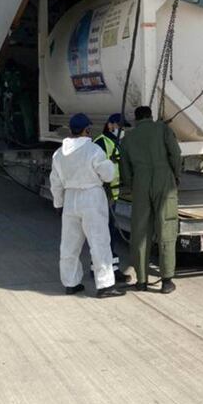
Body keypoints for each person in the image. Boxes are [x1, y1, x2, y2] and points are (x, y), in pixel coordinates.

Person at [49, 113, 125, 299]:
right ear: (86, 130)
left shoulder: (59, 154)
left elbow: (55, 181)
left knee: (69, 245)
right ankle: (105, 286)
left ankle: (71, 283)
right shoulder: (92, 150)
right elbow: (107, 174)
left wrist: (58, 203)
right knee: (99, 242)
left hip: (70, 199)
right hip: (91, 197)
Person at [120, 106, 182, 293]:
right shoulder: (162, 129)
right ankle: (166, 281)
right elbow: (176, 154)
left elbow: (124, 167)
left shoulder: (128, 138)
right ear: (151, 116)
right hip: (164, 180)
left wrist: (133, 184)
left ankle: (141, 280)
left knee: (140, 232)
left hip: (140, 181)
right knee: (166, 228)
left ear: (136, 120)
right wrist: (175, 175)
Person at [93, 113, 129, 283]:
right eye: (119, 126)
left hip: (112, 195)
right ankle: (107, 270)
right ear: (110, 125)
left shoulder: (115, 142)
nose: (122, 130)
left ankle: (103, 267)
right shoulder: (101, 142)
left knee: (107, 233)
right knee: (105, 234)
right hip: (103, 195)